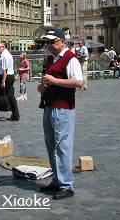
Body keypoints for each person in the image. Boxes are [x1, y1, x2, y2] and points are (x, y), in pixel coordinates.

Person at [37, 28, 83, 200]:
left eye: (52, 42)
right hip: (49, 105)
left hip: (63, 107)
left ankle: (66, 184)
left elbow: (78, 82)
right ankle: (57, 179)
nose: (49, 45)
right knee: (50, 143)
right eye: (47, 42)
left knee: (62, 145)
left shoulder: (70, 58)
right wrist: (42, 87)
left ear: (62, 42)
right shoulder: (50, 59)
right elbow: (47, 81)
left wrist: (55, 81)